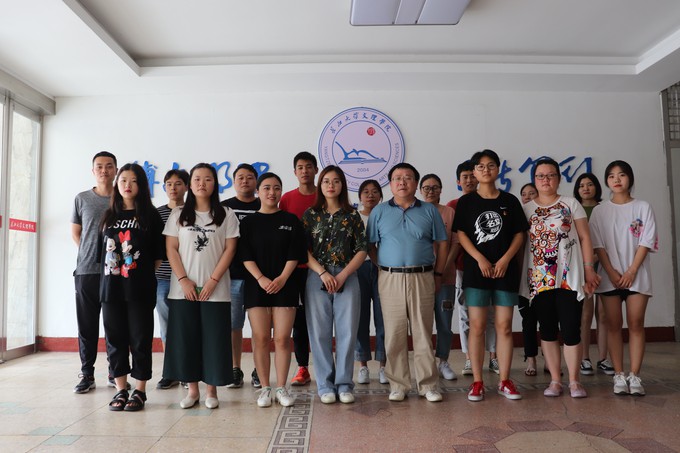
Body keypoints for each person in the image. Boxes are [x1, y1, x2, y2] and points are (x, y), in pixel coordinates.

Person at [520, 158, 600, 399]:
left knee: (571, 328)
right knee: (547, 330)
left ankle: (574, 381)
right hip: (539, 279)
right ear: (535, 180)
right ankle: (555, 380)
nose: (545, 180)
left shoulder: (570, 203)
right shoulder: (526, 209)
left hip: (568, 277)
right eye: (540, 176)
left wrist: (588, 269)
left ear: (558, 178)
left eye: (550, 175)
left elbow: (585, 238)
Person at [368, 163, 447, 403]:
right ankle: (398, 384)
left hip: (423, 276)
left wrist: (438, 274)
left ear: (415, 183)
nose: (402, 182)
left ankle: (428, 385)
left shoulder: (429, 211)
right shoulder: (379, 212)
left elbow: (442, 243)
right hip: (389, 278)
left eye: (408, 177)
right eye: (397, 178)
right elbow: (370, 246)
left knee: (423, 331)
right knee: (394, 333)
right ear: (390, 184)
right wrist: (385, 266)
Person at [163, 163, 239, 410]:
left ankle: (211, 391)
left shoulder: (226, 214)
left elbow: (230, 250)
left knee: (214, 340)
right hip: (182, 290)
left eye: (207, 179)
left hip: (216, 290)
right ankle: (193, 390)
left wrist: (213, 281)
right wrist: (184, 280)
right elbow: (171, 249)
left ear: (215, 184)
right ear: (190, 184)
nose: (201, 183)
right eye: (197, 179)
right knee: (187, 339)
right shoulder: (178, 215)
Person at [453, 150, 527, 401]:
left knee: (504, 326)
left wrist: (505, 259)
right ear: (474, 172)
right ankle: (477, 382)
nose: (486, 170)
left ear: (498, 169)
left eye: (491, 165)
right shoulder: (466, 202)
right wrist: (479, 258)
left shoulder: (510, 200)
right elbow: (461, 234)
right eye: (481, 166)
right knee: (477, 326)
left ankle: (505, 380)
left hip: (505, 271)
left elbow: (519, 234)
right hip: (477, 271)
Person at [100, 163, 165, 411]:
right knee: (114, 340)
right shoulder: (108, 216)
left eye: (133, 181)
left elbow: (158, 256)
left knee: (140, 339)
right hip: (111, 288)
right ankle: (120, 389)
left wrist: (140, 275)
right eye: (123, 180)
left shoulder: (150, 216)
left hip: (139, 289)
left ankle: (139, 390)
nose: (127, 185)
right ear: (117, 184)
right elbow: (101, 255)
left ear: (141, 185)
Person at [589, 161, 658, 396]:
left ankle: (635, 375)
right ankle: (618, 374)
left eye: (621, 175)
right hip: (610, 276)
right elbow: (597, 245)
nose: (616, 180)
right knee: (613, 325)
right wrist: (610, 272)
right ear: (607, 181)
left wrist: (631, 271)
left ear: (630, 178)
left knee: (636, 323)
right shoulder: (600, 211)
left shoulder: (643, 207)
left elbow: (646, 241)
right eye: (611, 176)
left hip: (636, 275)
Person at [239, 172, 307, 407]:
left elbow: (295, 253)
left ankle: (281, 387)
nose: (272, 192)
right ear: (258, 191)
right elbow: (244, 254)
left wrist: (282, 278)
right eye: (266, 188)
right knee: (260, 338)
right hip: (256, 285)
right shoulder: (247, 223)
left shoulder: (291, 220)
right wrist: (260, 278)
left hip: (285, 285)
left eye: (276, 188)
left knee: (282, 338)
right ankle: (265, 388)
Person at [303, 166, 367, 404]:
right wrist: (322, 273)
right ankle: (325, 385)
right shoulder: (311, 215)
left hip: (347, 276)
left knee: (347, 332)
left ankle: (344, 384)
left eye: (336, 181)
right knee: (319, 333)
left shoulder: (352, 215)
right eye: (326, 181)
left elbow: (362, 249)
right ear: (320, 185)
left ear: (342, 185)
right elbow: (303, 250)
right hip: (317, 277)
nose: (331, 185)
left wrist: (343, 275)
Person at [71, 151, 118, 393]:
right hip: (86, 271)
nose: (104, 170)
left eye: (109, 166)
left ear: (116, 170)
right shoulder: (82, 199)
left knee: (114, 324)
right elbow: (76, 232)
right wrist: (90, 253)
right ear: (93, 171)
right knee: (87, 325)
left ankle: (115, 372)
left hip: (115, 272)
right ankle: (87, 373)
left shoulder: (123, 198)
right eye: (99, 166)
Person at [447, 161, 498, 376]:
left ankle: (494, 357)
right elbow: (453, 239)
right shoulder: (453, 205)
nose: (469, 180)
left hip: (492, 268)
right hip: (463, 268)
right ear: (458, 181)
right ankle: (469, 358)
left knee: (492, 314)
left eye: (471, 176)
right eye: (464, 177)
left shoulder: (492, 201)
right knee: (465, 314)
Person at [279, 151, 318, 386]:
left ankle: (326, 367)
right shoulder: (286, 199)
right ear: (295, 172)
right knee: (299, 320)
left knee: (323, 318)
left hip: (322, 268)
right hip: (295, 268)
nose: (305, 171)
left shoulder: (324, 195)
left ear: (316, 170)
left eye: (309, 166)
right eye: (300, 167)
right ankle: (303, 367)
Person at [221, 163, 262, 389]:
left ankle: (259, 368)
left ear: (256, 182)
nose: (245, 181)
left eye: (249, 177)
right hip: (232, 276)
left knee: (260, 327)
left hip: (259, 277)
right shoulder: (224, 208)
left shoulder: (264, 204)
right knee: (234, 325)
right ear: (234, 181)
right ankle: (235, 368)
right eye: (240, 177)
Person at [573, 173, 614, 377]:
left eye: (590, 184)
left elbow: (610, 238)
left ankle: (604, 358)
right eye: (582, 185)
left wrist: (599, 257)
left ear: (597, 187)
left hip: (605, 264)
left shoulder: (605, 209)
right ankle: (584, 358)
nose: (586, 188)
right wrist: (589, 260)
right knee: (585, 315)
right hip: (584, 266)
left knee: (604, 314)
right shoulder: (574, 209)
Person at [419, 174, 460, 381]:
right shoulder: (416, 212)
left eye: (435, 187)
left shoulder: (449, 212)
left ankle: (443, 361)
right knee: (423, 324)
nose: (431, 191)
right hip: (421, 278)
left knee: (444, 322)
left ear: (441, 190)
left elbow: (455, 243)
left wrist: (442, 268)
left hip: (446, 278)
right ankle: (426, 364)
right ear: (420, 191)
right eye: (426, 187)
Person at [155, 169, 189, 390]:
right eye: (169, 184)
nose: (173, 188)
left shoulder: (193, 212)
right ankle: (171, 371)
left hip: (188, 277)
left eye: (178, 183)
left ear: (186, 187)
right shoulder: (157, 214)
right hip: (162, 278)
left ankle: (187, 371)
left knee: (186, 324)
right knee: (166, 326)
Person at [355, 179, 387, 385]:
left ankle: (383, 365)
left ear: (381, 196)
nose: (370, 195)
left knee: (383, 317)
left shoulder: (387, 214)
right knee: (361, 317)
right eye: (366, 192)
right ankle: (363, 365)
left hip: (384, 270)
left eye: (375, 191)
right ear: (359, 196)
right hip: (359, 269)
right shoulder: (354, 217)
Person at [517, 183, 540, 376]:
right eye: (524, 194)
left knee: (550, 319)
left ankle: (551, 360)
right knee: (528, 320)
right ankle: (531, 358)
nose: (527, 197)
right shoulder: (517, 217)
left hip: (545, 275)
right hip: (523, 276)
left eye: (531, 193)